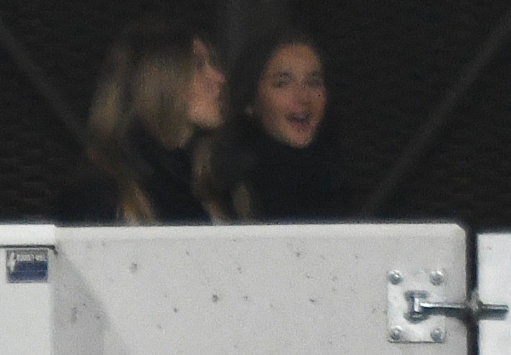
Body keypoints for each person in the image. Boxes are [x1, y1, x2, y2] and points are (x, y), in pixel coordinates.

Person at [57, 20, 231, 224]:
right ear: (157, 81)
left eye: (213, 64)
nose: (219, 78)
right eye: (199, 66)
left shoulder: (207, 186)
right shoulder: (104, 194)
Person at [212, 28, 354, 221]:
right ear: (250, 102)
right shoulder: (226, 188)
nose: (303, 97)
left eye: (313, 83)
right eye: (283, 83)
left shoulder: (340, 179)